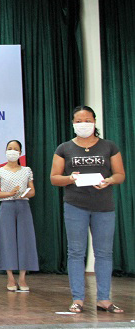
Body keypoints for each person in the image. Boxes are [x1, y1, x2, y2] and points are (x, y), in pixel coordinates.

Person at [50, 105, 126, 314]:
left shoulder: (109, 146)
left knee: (104, 253)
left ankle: (104, 299)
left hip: (104, 207)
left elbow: (120, 174)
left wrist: (109, 180)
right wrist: (70, 178)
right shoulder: (64, 148)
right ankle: (78, 299)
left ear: (94, 121)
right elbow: (54, 178)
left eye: (88, 120)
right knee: (76, 252)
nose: (84, 124)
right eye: (79, 121)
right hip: (75, 205)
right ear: (73, 124)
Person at [0, 140, 38, 291]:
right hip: (6, 206)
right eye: (9, 148)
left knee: (25, 240)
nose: (12, 151)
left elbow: (32, 191)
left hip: (23, 206)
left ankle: (22, 278)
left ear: (20, 152)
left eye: (15, 149)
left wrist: (24, 193)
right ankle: (10, 278)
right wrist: (9, 193)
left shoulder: (26, 170)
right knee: (7, 240)